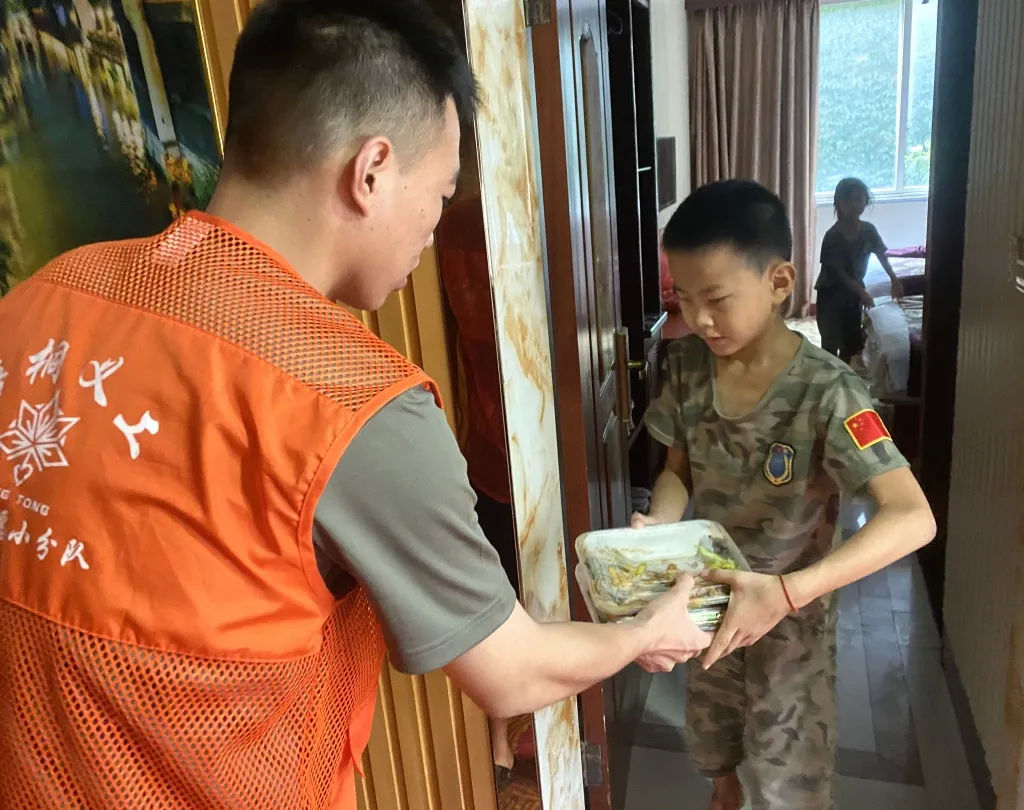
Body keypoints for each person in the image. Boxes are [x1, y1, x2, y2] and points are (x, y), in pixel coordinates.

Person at [0, 2, 711, 806]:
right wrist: (644, 633)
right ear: (370, 171)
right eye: (440, 196)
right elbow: (510, 674)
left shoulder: (45, 295)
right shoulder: (350, 404)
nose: (436, 229)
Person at [632, 180, 936, 810]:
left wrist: (788, 592)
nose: (701, 319)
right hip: (711, 605)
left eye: (716, 298)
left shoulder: (832, 391)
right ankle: (723, 793)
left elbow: (913, 518)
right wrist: (659, 526)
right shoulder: (688, 366)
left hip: (791, 625)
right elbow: (677, 471)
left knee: (786, 782)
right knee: (714, 745)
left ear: (779, 282)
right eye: (686, 299)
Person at [437, 191, 521, 790]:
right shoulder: (465, 224)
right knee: (502, 595)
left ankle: (508, 735)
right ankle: (502, 736)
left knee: (509, 595)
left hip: (507, 449)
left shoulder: (462, 222)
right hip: (493, 453)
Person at [815, 177, 904, 363]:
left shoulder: (868, 230)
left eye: (860, 199)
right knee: (831, 340)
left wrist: (894, 279)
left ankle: (845, 373)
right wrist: (862, 293)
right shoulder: (833, 237)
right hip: (831, 294)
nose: (856, 204)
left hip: (853, 293)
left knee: (852, 339)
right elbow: (839, 273)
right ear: (840, 203)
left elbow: (881, 254)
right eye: (850, 200)